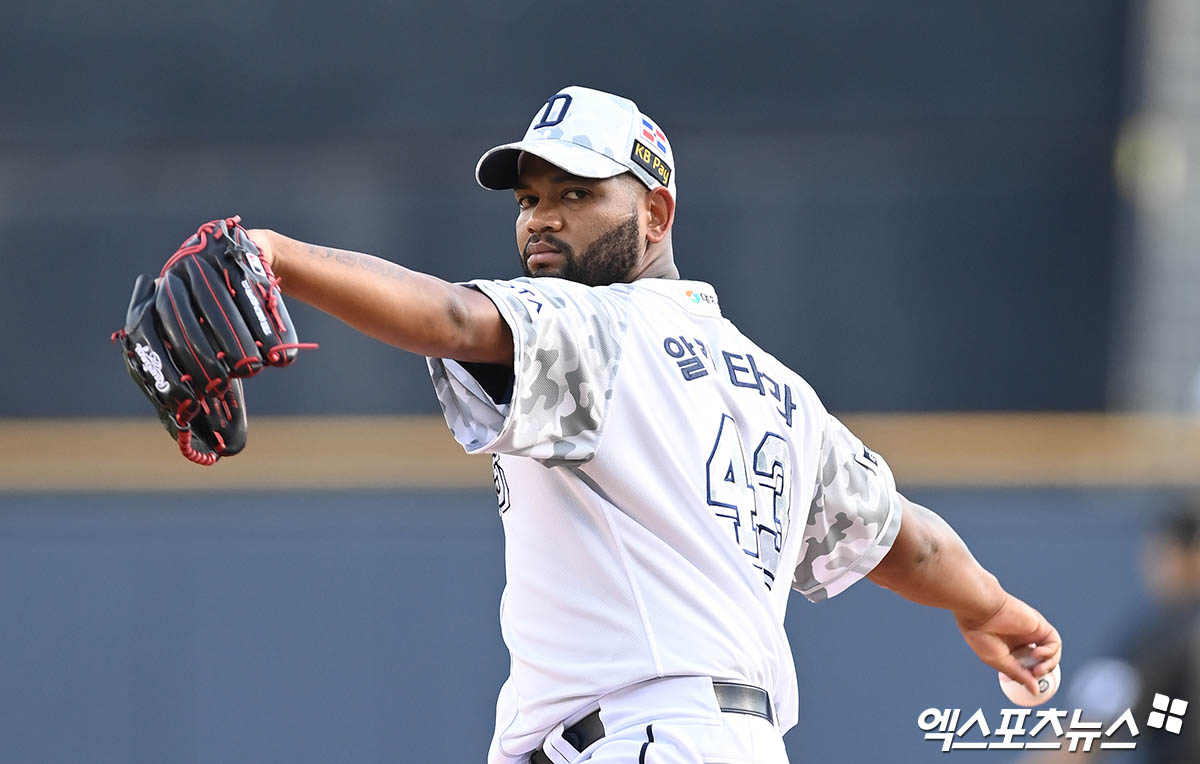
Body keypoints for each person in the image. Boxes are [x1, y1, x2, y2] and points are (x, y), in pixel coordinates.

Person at [244, 85, 1062, 764]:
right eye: (531, 198)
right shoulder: (781, 393)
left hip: (645, 737)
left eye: (577, 194)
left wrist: (273, 254)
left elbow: (457, 320)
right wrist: (986, 607)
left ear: (656, 215)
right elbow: (906, 541)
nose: (542, 218)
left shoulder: (599, 326)